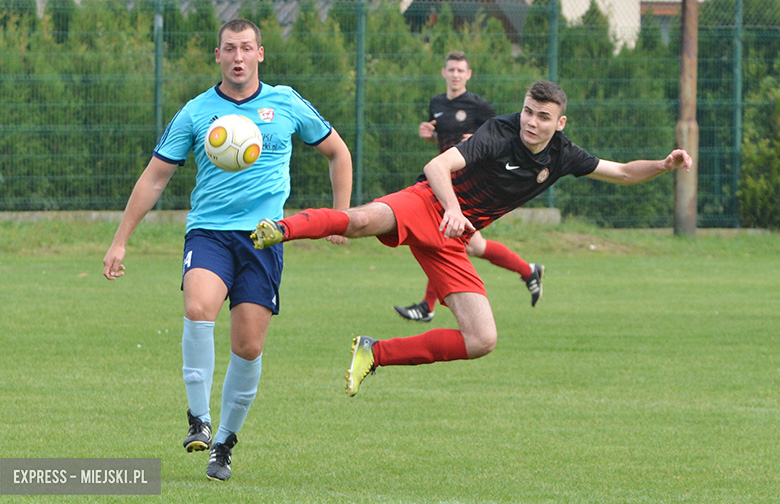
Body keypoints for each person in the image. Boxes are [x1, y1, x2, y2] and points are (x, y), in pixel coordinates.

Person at [250, 80, 692, 398]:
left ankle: (374, 353)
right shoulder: (499, 132)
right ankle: (281, 230)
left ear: (560, 123)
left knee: (481, 339)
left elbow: (620, 172)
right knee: (362, 220)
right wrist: (456, 210)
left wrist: (663, 165)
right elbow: (436, 168)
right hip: (428, 205)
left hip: (452, 240)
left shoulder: (563, 155)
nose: (531, 123)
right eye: (528, 111)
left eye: (542, 117)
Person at [102, 19, 352, 479]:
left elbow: (339, 152)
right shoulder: (197, 112)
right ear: (216, 56)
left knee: (248, 346)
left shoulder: (287, 102)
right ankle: (198, 419)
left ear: (261, 54)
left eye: (246, 48)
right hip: (210, 234)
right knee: (198, 307)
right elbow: (156, 176)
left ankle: (224, 442)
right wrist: (120, 240)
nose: (238, 57)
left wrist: (340, 216)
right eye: (229, 49)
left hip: (264, 238)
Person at [395, 51, 543, 323]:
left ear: (468, 75)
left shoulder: (479, 106)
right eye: (451, 70)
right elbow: (443, 140)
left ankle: (427, 306)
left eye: (460, 70)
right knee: (472, 245)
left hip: (469, 183)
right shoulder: (437, 102)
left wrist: (477, 138)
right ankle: (528, 271)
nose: (455, 75)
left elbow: (503, 139)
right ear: (444, 72)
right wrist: (430, 135)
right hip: (444, 179)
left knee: (441, 237)